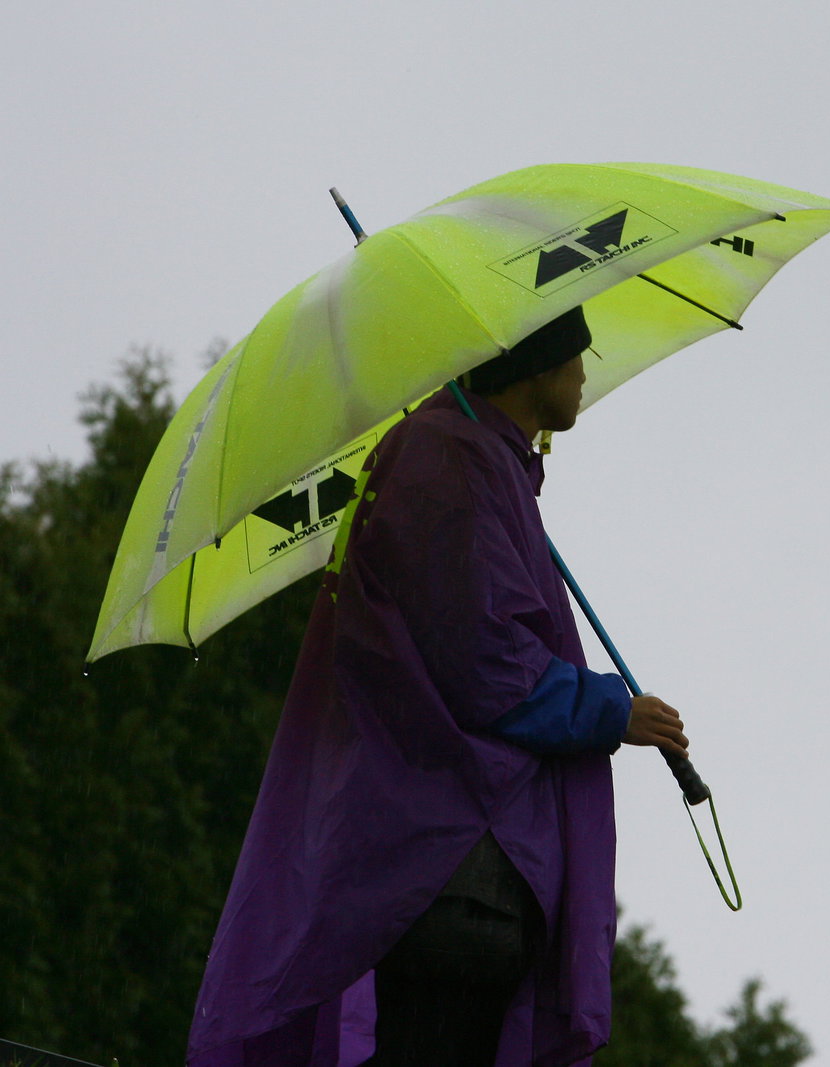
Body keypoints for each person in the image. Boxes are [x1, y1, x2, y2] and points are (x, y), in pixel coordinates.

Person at [187, 305, 688, 1067]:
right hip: (454, 863)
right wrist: (612, 708)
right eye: (576, 354)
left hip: (469, 869)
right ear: (539, 365)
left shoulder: (478, 461)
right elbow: (482, 661)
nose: (586, 372)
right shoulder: (448, 459)